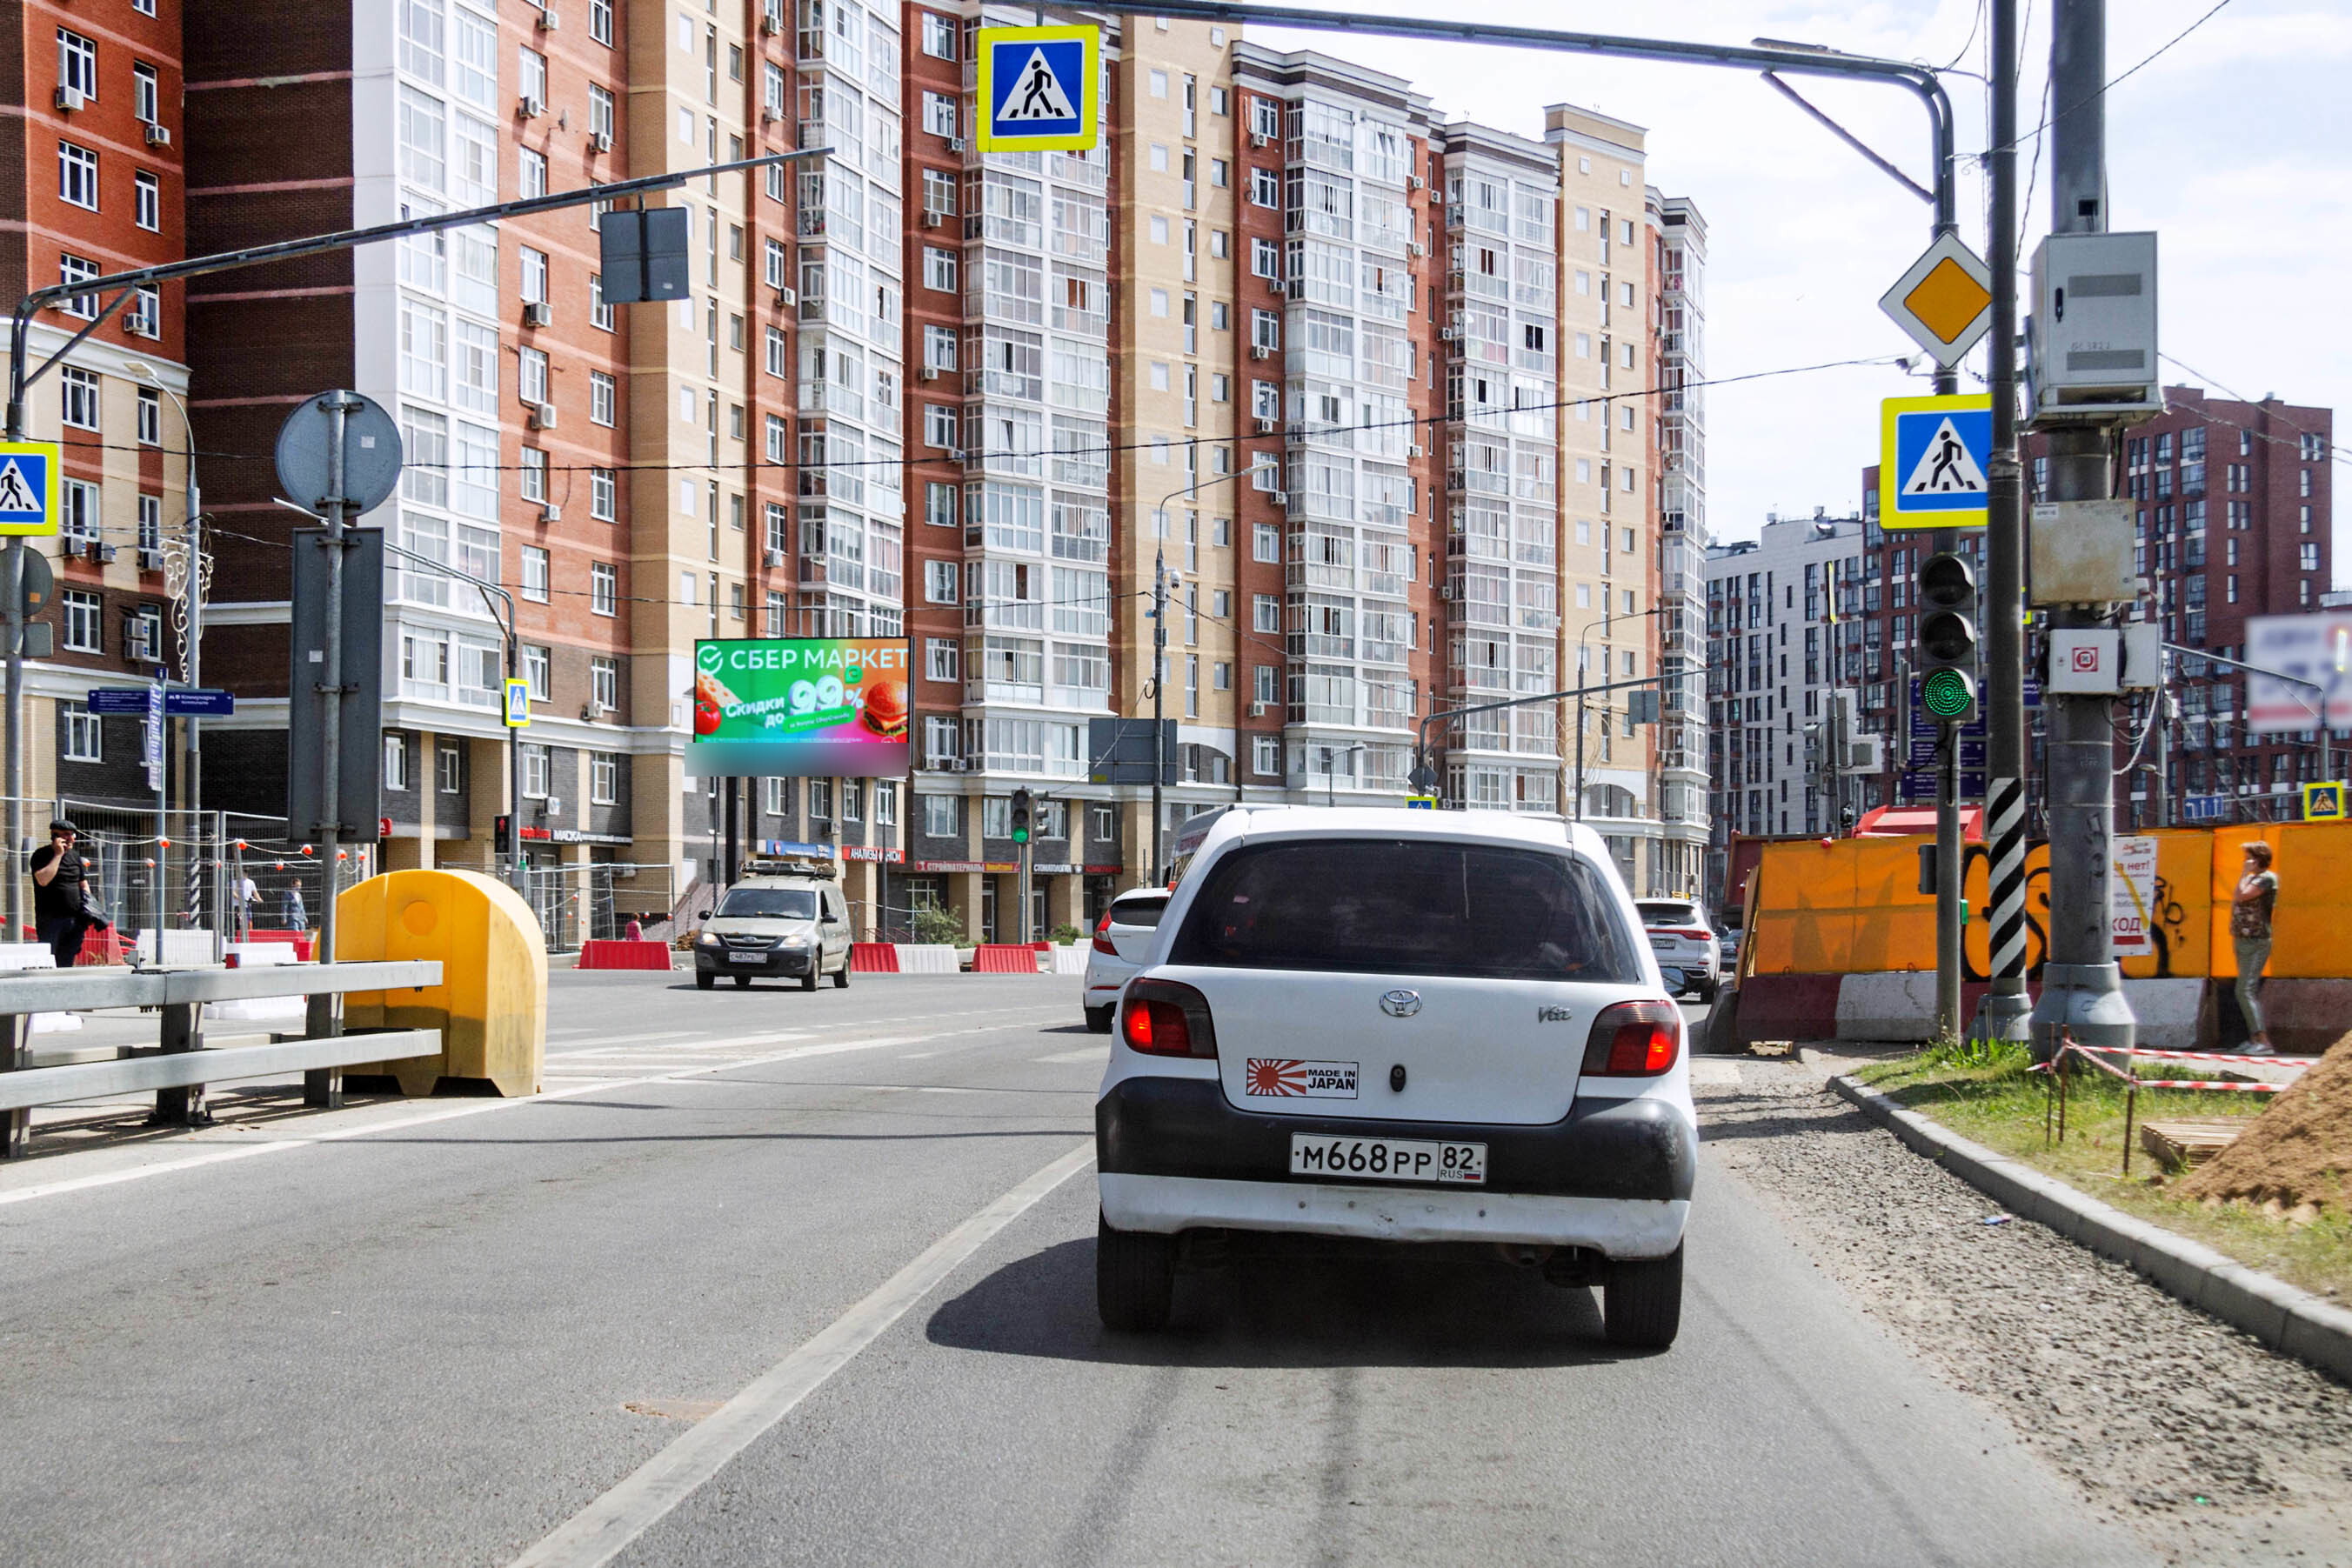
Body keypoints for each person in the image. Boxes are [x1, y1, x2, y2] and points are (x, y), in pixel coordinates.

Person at [30, 820, 104, 968]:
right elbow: (43, 880)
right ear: (54, 836)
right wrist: (58, 855)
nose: (71, 839)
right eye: (66, 835)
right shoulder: (41, 855)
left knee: (67, 960)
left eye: (72, 835)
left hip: (75, 919)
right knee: (48, 960)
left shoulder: (75, 856)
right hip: (51, 920)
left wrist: (90, 907)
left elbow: (83, 883)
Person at [2230, 841, 2279, 1055]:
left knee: (2245, 989)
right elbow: (2237, 896)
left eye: (2248, 857)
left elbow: (2242, 896)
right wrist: (2245, 874)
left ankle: (2263, 1042)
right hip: (2243, 938)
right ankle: (2253, 1039)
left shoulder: (2267, 879)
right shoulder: (2251, 878)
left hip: (2257, 940)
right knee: (2243, 990)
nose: (2245, 861)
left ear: (2259, 859)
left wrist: (2244, 873)